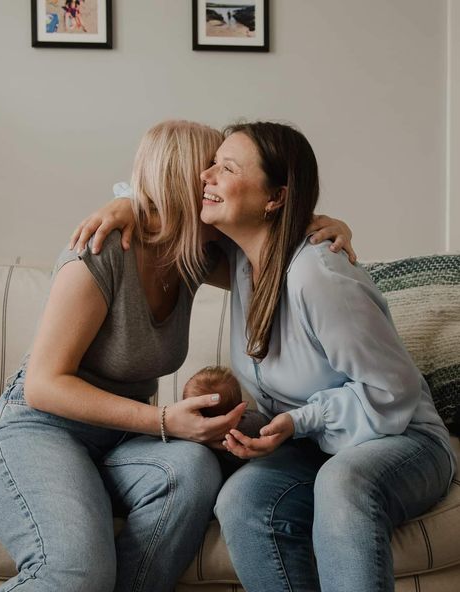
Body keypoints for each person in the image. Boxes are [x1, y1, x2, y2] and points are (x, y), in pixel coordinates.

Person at [72, 120, 456, 592]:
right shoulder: (238, 261)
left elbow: (392, 394)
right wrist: (127, 203)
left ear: (274, 198)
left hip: (399, 437)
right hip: (311, 445)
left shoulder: (318, 277)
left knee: (343, 483)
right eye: (211, 165)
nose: (205, 176)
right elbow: (165, 212)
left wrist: (299, 421)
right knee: (243, 499)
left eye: (225, 168)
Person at [0, 119, 353, 592]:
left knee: (193, 471)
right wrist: (163, 421)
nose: (218, 181)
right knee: (75, 574)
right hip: (39, 430)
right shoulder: (99, 252)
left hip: (119, 439)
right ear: (184, 182)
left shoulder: (193, 254)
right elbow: (43, 386)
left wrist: (329, 226)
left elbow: (271, 246)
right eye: (212, 171)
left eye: (224, 170)